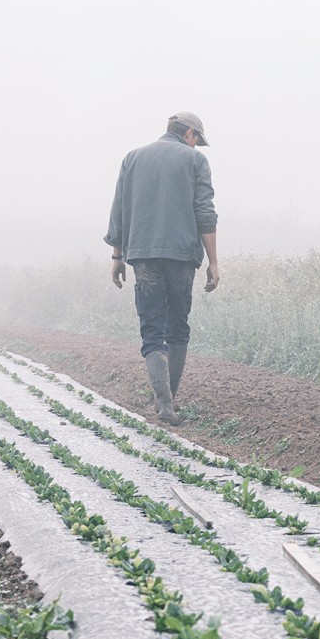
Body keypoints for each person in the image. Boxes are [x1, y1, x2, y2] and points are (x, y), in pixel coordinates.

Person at [105, 111, 220, 423]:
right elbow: (204, 212)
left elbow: (120, 209)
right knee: (177, 327)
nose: (197, 147)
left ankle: (163, 403)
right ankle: (170, 401)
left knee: (153, 328)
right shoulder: (195, 162)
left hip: (143, 255)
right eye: (198, 141)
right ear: (190, 134)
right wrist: (213, 261)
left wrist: (117, 257)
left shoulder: (132, 158)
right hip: (183, 256)